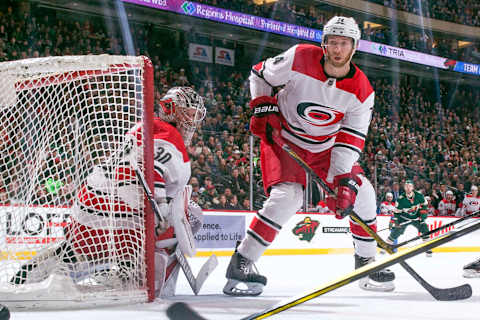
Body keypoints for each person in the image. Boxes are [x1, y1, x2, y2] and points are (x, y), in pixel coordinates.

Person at [223, 16, 395, 297]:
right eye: (332, 43)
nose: (337, 49)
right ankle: (242, 261)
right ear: (323, 44)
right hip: (285, 138)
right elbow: (260, 74)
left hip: (326, 148)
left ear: (354, 47)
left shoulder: (362, 91)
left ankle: (366, 261)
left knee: (362, 192)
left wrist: (342, 180)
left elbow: (350, 139)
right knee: (287, 197)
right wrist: (263, 105)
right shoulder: (299, 56)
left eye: (344, 44)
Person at [11, 86, 207, 297]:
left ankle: (65, 259)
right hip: (122, 223)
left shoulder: (144, 126)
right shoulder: (169, 134)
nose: (193, 121)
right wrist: (160, 207)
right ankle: (142, 276)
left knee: (78, 252)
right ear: (173, 111)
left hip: (86, 214)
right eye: (190, 113)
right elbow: (151, 169)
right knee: (191, 214)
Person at [385, 180, 432, 257]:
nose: (408, 188)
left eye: (410, 186)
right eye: (406, 186)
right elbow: (396, 212)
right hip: (404, 218)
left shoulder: (419, 196)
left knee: (424, 228)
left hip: (416, 217)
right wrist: (394, 221)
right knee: (396, 232)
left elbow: (425, 206)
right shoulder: (400, 199)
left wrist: (423, 215)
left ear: (413, 187)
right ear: (404, 188)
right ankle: (385, 247)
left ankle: (428, 248)